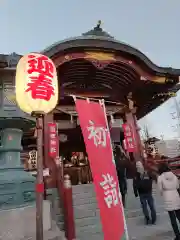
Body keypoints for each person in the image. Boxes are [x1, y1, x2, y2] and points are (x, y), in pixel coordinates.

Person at [158, 163, 180, 240]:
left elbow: (160, 190)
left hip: (167, 197)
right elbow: (177, 186)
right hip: (176, 196)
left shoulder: (160, 177)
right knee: (179, 216)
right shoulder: (174, 176)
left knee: (172, 218)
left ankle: (178, 236)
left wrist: (163, 193)